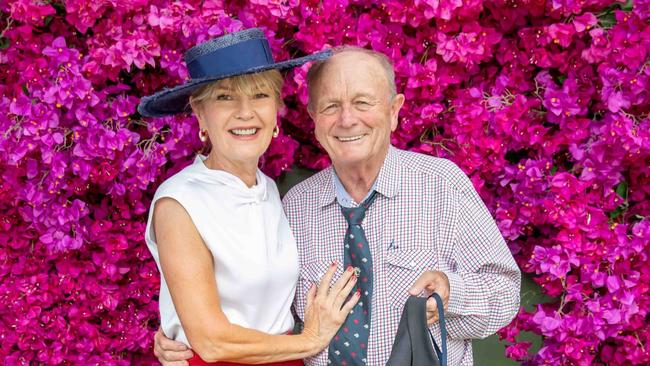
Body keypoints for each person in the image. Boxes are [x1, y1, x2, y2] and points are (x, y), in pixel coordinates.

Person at [154, 46, 522, 366]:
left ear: (394, 111)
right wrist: (181, 331)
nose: (347, 119)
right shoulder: (295, 205)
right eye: (331, 106)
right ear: (313, 119)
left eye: (363, 102)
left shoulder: (442, 186)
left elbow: (505, 294)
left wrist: (450, 291)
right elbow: (247, 301)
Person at [139, 29, 360, 366]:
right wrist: (311, 340)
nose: (245, 113)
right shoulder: (179, 202)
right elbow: (212, 343)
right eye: (225, 97)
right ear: (200, 113)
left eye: (259, 95)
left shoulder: (268, 189)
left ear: (276, 110)